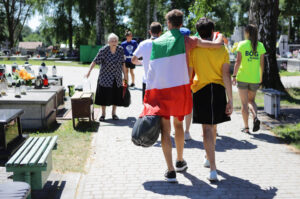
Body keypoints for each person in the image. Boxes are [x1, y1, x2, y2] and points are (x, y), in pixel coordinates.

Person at [140, 9, 224, 183]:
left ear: (168, 23)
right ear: (181, 23)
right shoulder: (188, 41)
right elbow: (213, 45)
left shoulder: (158, 42)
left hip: (161, 91)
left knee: (165, 130)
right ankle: (179, 160)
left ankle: (170, 170)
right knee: (178, 126)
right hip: (179, 90)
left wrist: (149, 95)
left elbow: (152, 70)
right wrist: (219, 39)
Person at [189, 17, 233, 181]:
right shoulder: (222, 50)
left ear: (198, 32)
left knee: (206, 129)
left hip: (201, 89)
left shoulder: (194, 50)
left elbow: (190, 73)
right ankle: (210, 159)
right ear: (213, 31)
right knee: (213, 127)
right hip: (219, 89)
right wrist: (230, 100)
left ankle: (212, 168)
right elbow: (226, 75)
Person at [85, 33, 128, 121]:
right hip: (105, 77)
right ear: (108, 42)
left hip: (117, 77)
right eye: (112, 40)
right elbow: (95, 61)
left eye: (116, 40)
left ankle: (114, 113)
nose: (114, 42)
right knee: (103, 96)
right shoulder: (103, 50)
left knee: (116, 96)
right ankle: (103, 114)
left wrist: (126, 76)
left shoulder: (120, 50)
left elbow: (123, 64)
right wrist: (89, 71)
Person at [232, 24, 266, 134]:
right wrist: (260, 77)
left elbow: (237, 62)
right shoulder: (260, 46)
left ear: (247, 33)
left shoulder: (242, 44)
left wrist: (234, 76)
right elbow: (262, 64)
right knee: (252, 101)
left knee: (244, 103)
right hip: (254, 78)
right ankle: (255, 116)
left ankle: (246, 128)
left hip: (242, 78)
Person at [131, 22, 162, 101]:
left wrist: (142, 62)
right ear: (160, 32)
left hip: (147, 80)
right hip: (161, 82)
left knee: (147, 106)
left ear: (150, 32)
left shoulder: (143, 44)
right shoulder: (165, 44)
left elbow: (133, 60)